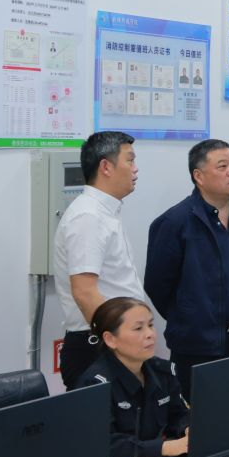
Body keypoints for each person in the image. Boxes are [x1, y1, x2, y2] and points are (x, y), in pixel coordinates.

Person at [144, 139, 229, 396]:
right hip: (199, 345)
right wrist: (190, 316)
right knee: (201, 414)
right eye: (223, 166)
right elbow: (157, 285)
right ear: (199, 176)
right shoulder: (175, 222)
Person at [53, 130, 147, 390]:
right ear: (106, 167)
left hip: (112, 341)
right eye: (130, 160)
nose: (136, 169)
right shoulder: (88, 216)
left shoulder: (105, 212)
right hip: (98, 346)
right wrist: (119, 342)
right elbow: (85, 292)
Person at [86, 298, 189, 457]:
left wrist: (186, 428)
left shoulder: (162, 371)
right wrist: (163, 448)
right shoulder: (96, 384)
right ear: (110, 339)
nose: (150, 334)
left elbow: (178, 414)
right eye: (138, 328)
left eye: (150, 325)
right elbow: (104, 444)